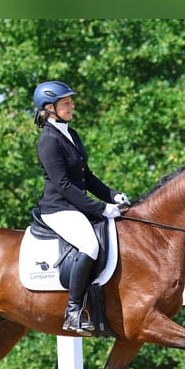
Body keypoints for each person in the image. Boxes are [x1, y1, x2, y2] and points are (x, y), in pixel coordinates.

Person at [32, 80, 130, 336]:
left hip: (75, 205)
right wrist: (100, 209)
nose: (71, 105)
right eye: (66, 102)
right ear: (50, 107)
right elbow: (63, 185)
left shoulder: (70, 134)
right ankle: (73, 311)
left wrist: (113, 195)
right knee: (90, 245)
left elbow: (87, 177)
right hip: (58, 208)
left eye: (70, 101)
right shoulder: (48, 140)